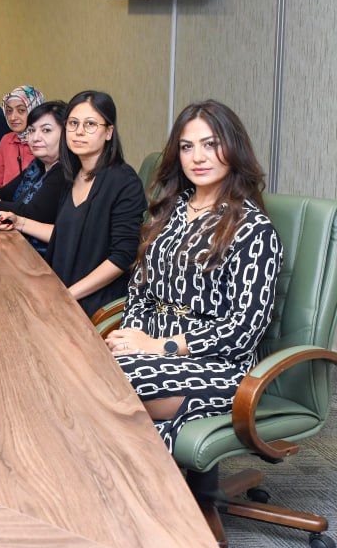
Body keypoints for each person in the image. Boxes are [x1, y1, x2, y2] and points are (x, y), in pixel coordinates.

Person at [105, 101, 280, 451]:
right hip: (148, 349)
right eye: (187, 147)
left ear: (234, 149)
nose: (198, 157)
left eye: (210, 144)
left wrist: (158, 347)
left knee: (109, 385)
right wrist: (132, 339)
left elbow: (243, 330)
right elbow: (140, 289)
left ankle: (135, 475)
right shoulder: (169, 211)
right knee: (83, 367)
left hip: (217, 364)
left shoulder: (253, 229)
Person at [0, 90, 145, 315]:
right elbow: (65, 234)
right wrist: (19, 222)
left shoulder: (124, 182)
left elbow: (122, 258)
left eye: (90, 124)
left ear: (108, 132)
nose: (79, 132)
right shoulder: (72, 174)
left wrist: (67, 295)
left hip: (94, 304)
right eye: (73, 124)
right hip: (59, 289)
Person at [0, 101, 67, 255]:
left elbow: (30, 213)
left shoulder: (63, 171)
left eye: (46, 130)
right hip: (15, 243)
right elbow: (6, 192)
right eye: (31, 130)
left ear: (66, 134)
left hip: (40, 257)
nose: (35, 138)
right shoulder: (38, 164)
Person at [0, 85, 44, 192]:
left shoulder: (45, 142)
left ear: (35, 111)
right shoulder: (6, 140)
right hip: (3, 200)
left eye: (21, 110)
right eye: (9, 111)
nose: (13, 117)